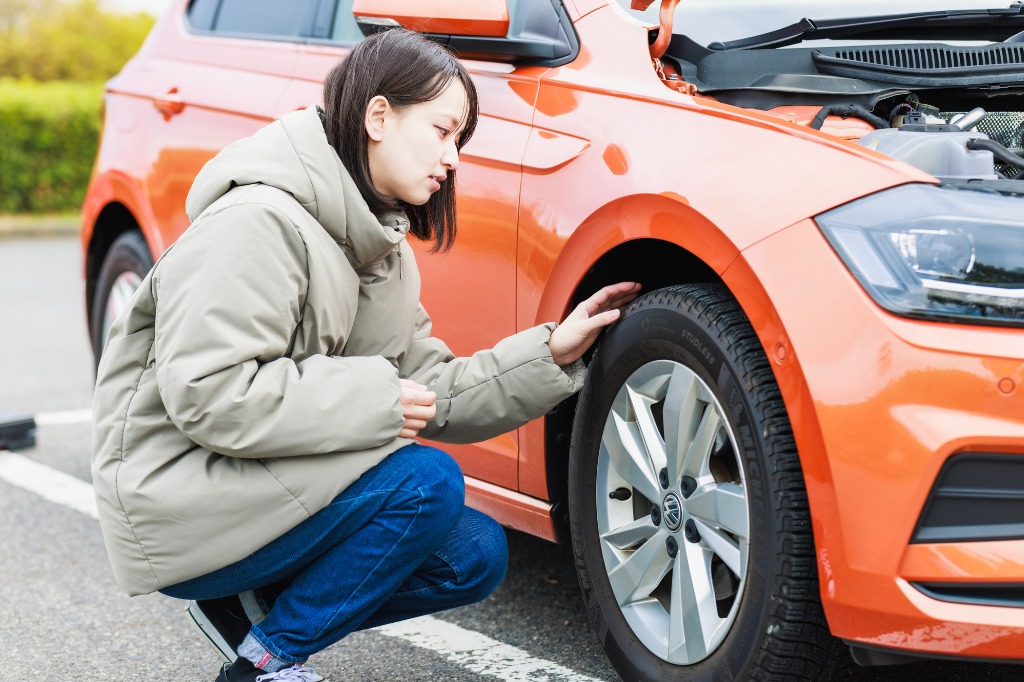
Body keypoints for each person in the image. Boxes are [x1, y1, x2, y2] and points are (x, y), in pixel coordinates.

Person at [91, 28, 639, 682]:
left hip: (253, 479)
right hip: (179, 493)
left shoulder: (381, 249)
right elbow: (211, 396)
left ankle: (256, 614)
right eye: (441, 131)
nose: (453, 159)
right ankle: (263, 663)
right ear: (379, 115)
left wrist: (550, 352)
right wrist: (376, 400)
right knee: (427, 483)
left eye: (458, 141)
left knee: (474, 554)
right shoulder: (258, 222)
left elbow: (432, 387)